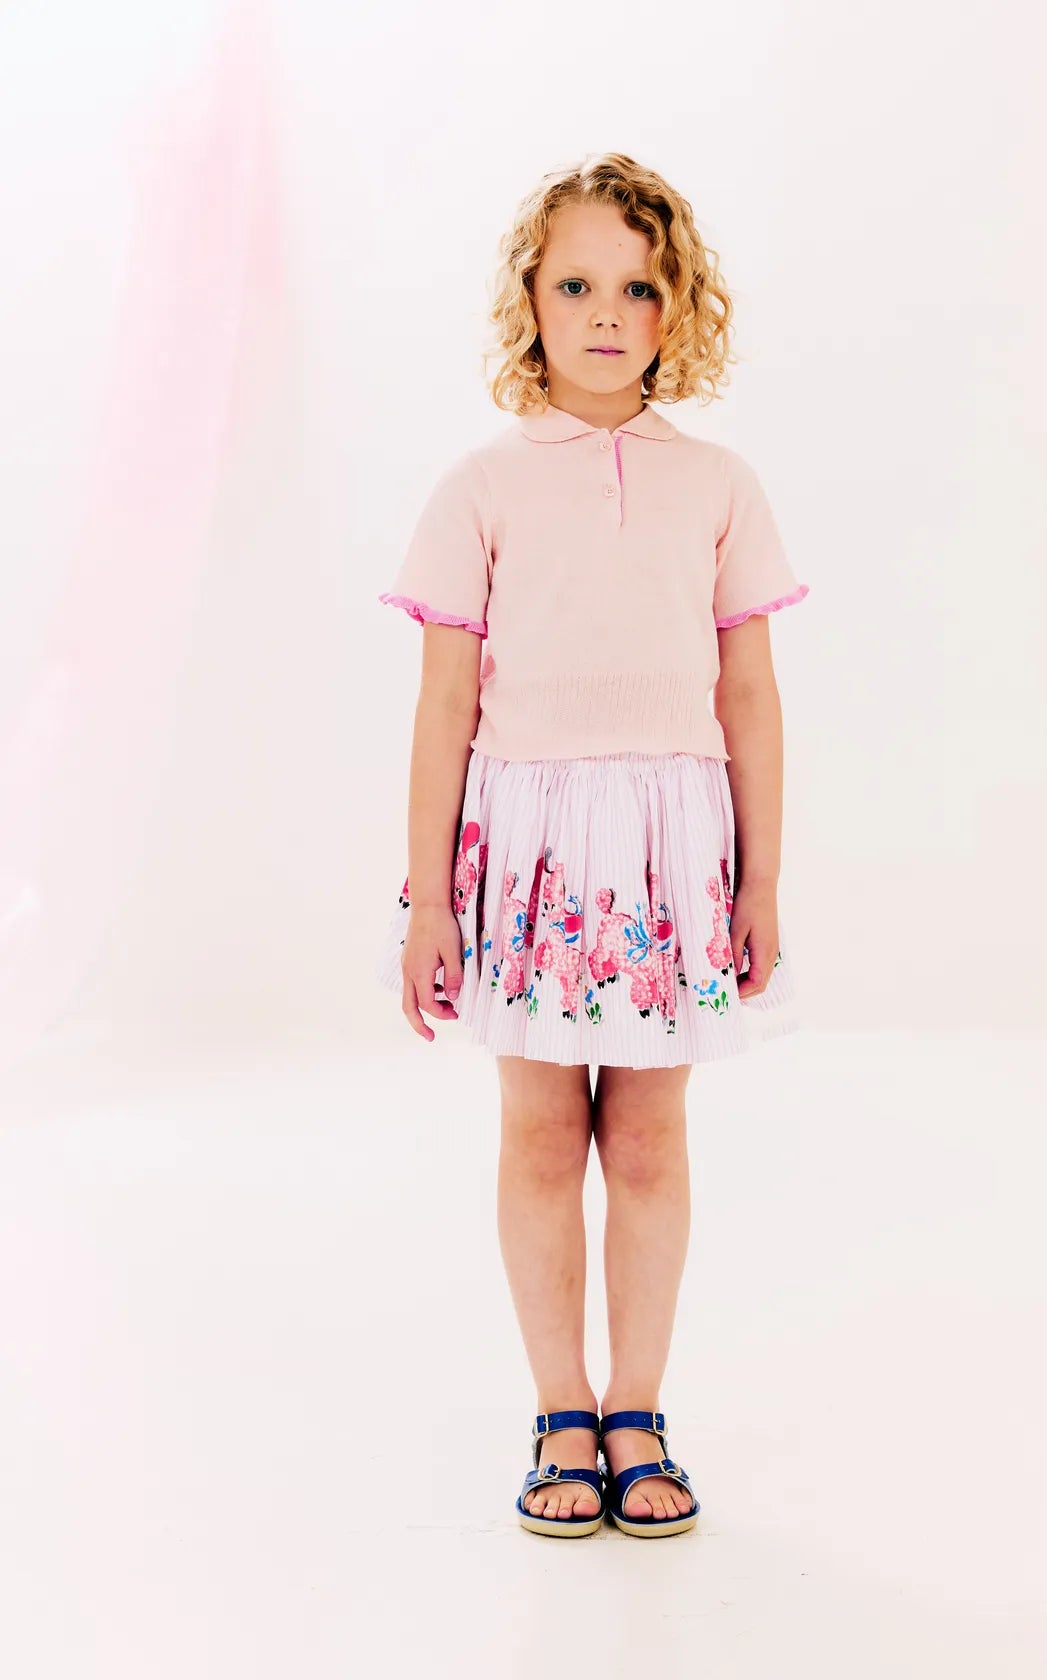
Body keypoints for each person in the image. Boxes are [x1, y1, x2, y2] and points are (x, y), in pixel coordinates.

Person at [374, 153, 810, 1539]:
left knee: (652, 1132)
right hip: (532, 845)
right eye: (576, 285)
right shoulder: (481, 487)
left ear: (680, 308)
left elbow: (750, 695)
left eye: (639, 286)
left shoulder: (719, 484)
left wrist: (762, 875)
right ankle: (561, 1406)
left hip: (672, 849)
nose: (607, 314)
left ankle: (638, 1407)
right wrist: (428, 900)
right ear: (531, 301)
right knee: (542, 1128)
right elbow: (445, 702)